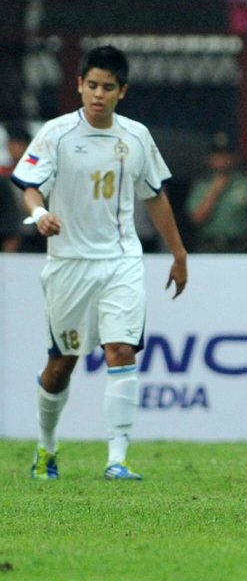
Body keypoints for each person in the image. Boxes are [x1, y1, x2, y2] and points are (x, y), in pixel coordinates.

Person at [11, 45, 188, 480]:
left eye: (108, 87)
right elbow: (29, 185)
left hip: (121, 259)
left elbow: (155, 195)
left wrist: (178, 252)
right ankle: (47, 447)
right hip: (69, 262)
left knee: (121, 349)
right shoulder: (56, 134)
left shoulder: (136, 136)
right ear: (79, 85)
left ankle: (117, 459)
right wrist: (38, 215)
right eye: (92, 85)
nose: (98, 94)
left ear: (121, 92)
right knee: (62, 364)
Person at [186, 132, 247, 253]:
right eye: (217, 154)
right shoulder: (201, 185)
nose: (221, 159)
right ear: (209, 158)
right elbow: (197, 219)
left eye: (226, 154)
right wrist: (215, 191)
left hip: (239, 249)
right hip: (208, 249)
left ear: (235, 157)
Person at [1, 122, 31, 252]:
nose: (14, 148)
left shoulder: (38, 174)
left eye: (19, 144)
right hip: (6, 231)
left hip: (33, 235)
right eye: (11, 143)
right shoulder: (3, 174)